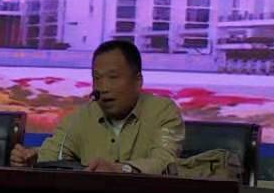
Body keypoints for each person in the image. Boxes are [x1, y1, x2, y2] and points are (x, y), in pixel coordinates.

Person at [10, 40, 184, 174]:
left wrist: (120, 169)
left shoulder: (163, 112)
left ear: (138, 81)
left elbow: (165, 162)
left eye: (113, 77)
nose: (103, 87)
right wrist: (31, 158)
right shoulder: (81, 116)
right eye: (97, 78)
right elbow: (54, 154)